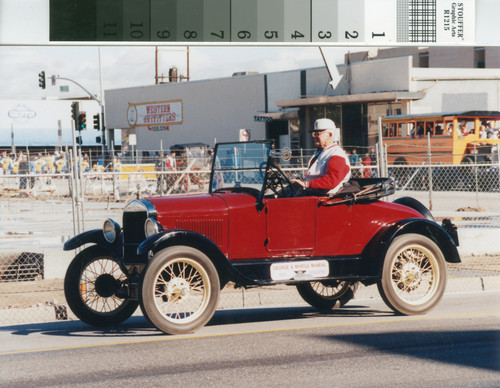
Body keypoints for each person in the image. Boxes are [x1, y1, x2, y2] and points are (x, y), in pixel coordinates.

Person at [292, 118, 351, 195]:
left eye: (318, 133)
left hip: (325, 198)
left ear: (330, 134)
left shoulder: (337, 154)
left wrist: (307, 184)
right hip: (313, 194)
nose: (314, 136)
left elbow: (331, 180)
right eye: (314, 133)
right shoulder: (320, 152)